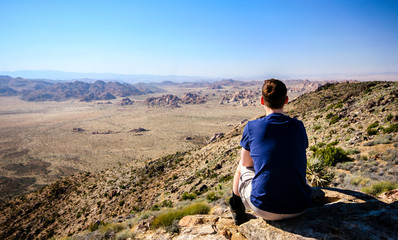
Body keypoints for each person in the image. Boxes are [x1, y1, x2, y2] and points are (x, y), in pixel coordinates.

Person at [229, 79, 312, 224]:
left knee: (241, 166)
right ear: (286, 100)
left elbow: (247, 163)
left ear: (262, 100)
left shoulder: (252, 127)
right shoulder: (298, 126)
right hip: (301, 207)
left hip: (264, 208)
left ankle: (236, 209)